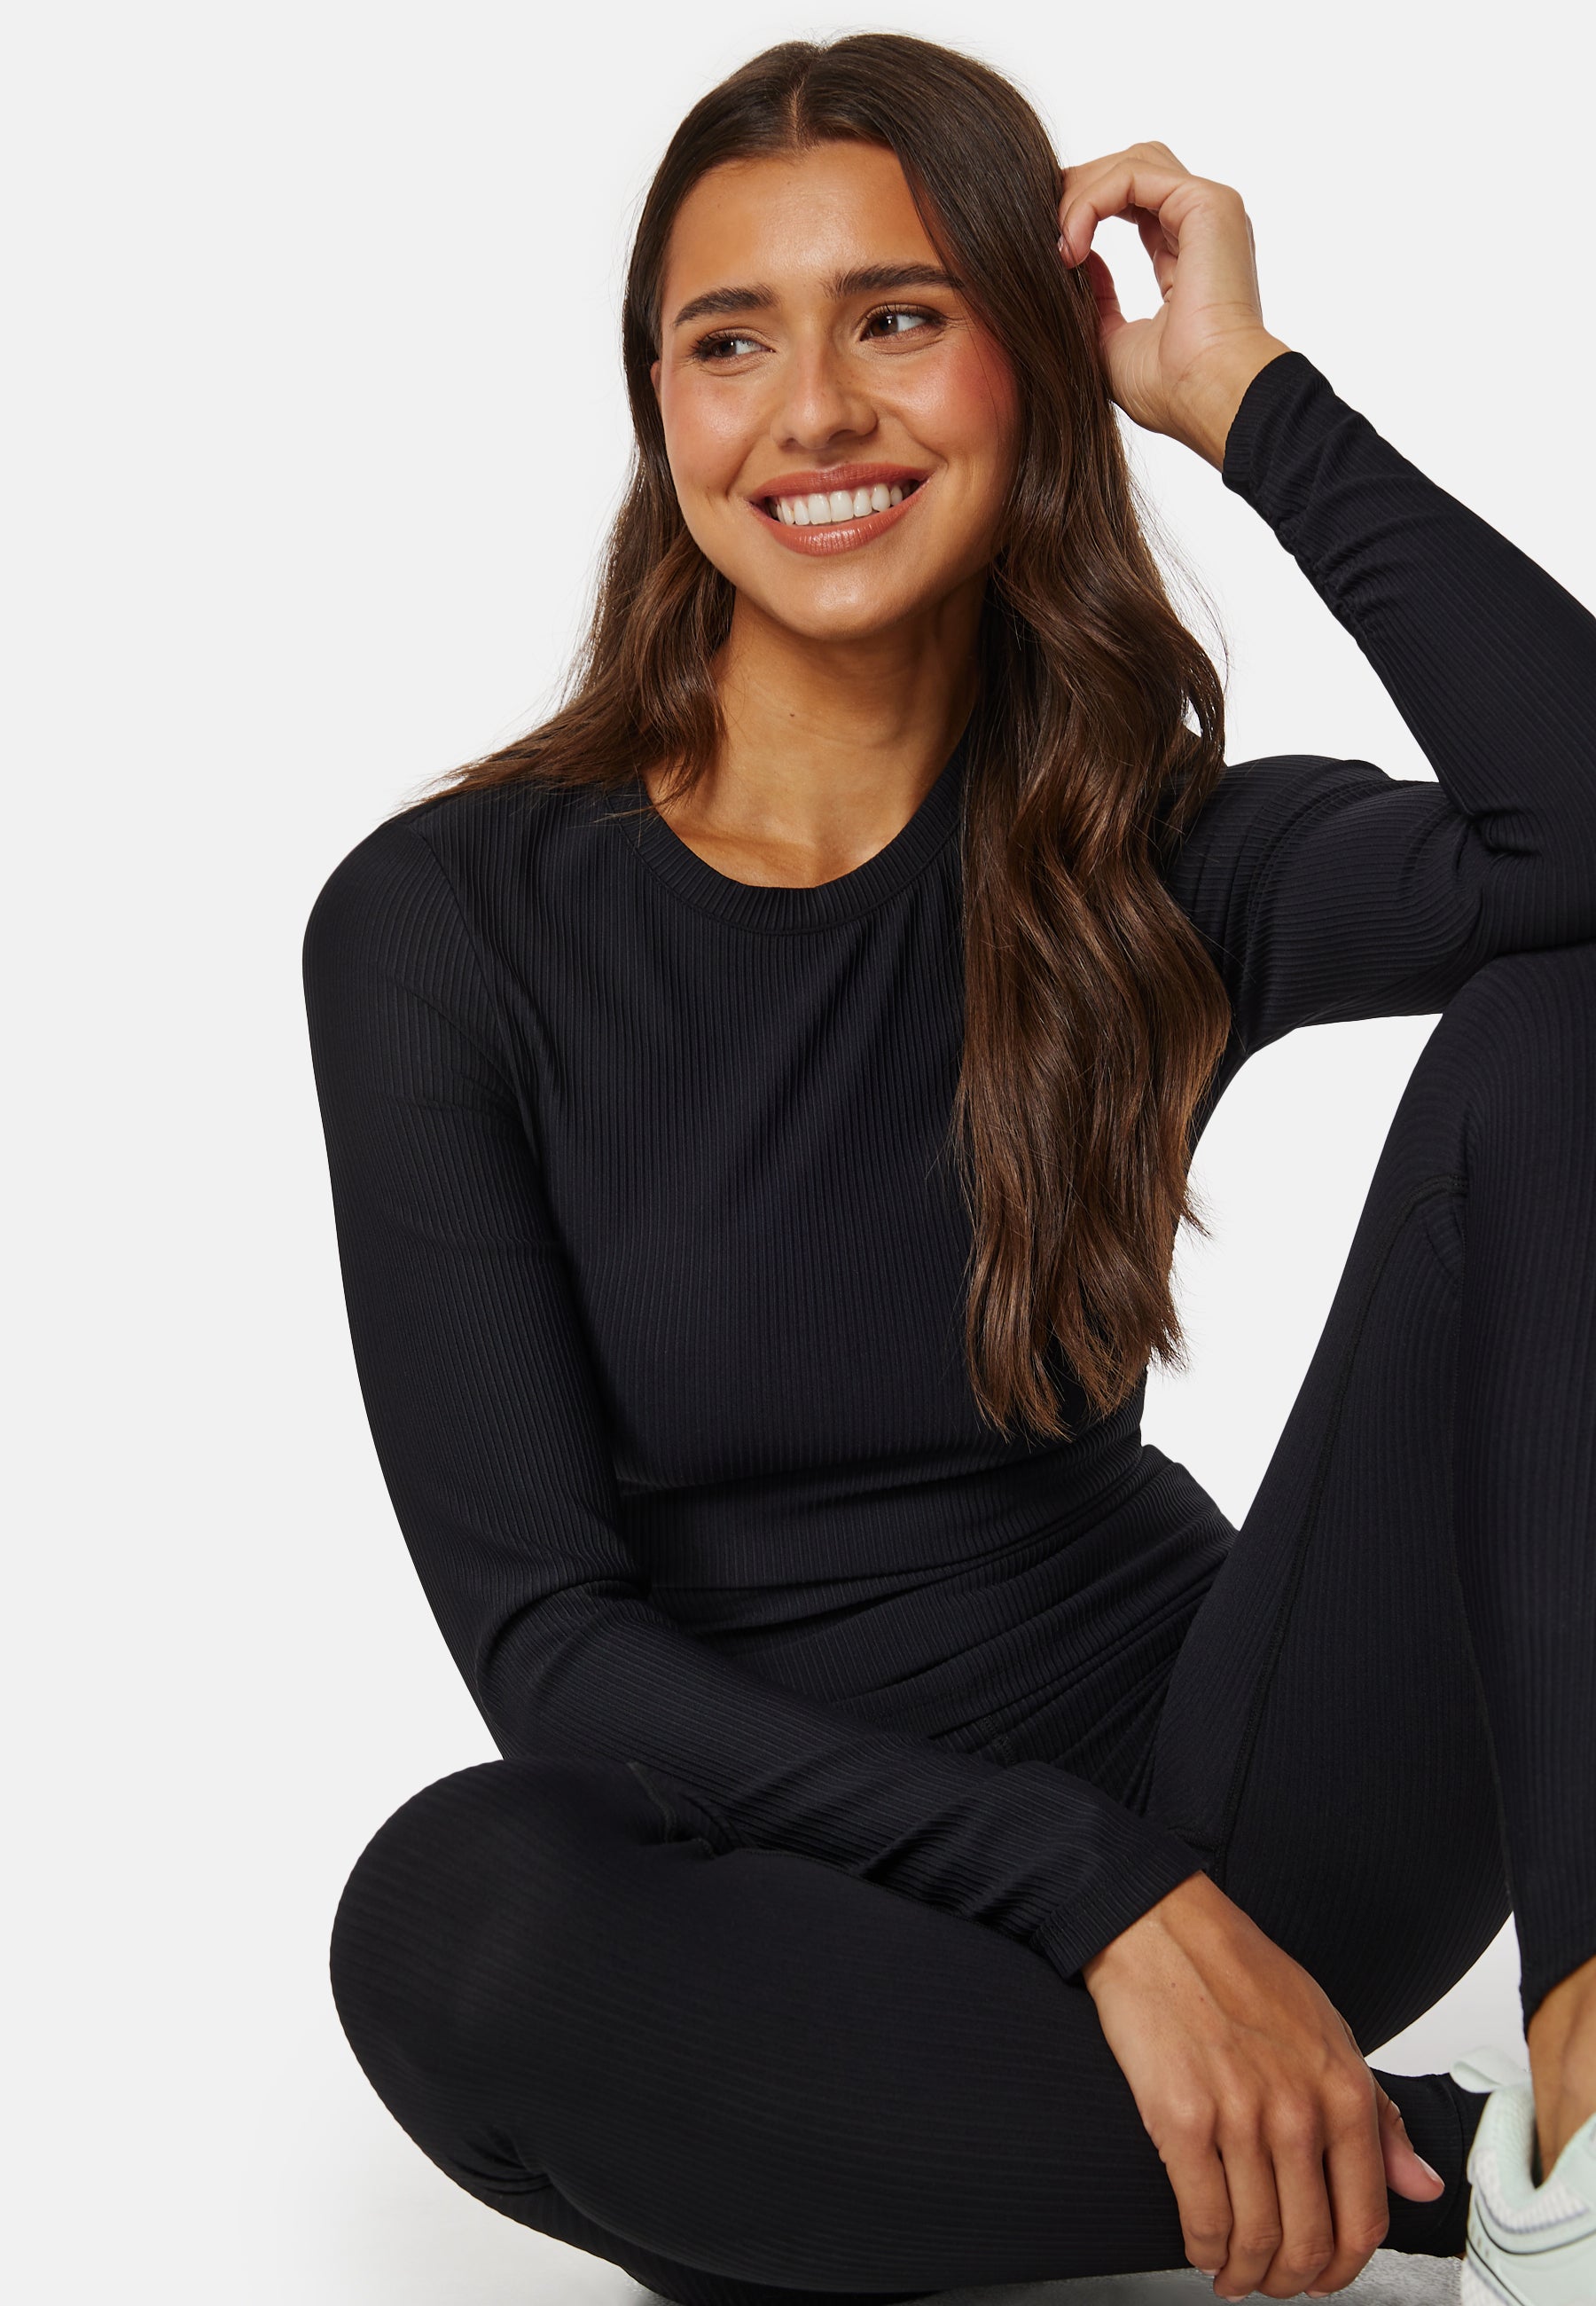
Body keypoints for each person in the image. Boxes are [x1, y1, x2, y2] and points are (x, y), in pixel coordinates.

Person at [301, 32, 1596, 2306]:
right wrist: (1091, 1890)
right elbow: (548, 1639)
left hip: (1257, 1817)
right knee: (454, 1921)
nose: (814, 410)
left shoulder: (1155, 858)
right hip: (811, 1901)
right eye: (731, 341)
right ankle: (1430, 2160)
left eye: (898, 316)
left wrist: (1247, 396)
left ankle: (1582, 2081)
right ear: (659, 412)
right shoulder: (449, 925)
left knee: (1570, 1014)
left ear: (1036, 360)